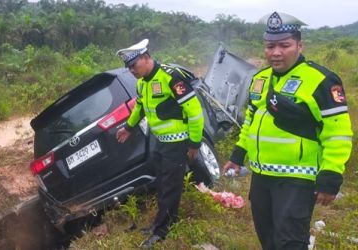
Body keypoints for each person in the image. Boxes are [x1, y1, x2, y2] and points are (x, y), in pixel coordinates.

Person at [222, 12, 353, 249]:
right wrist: (237, 155)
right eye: (270, 46)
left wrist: (331, 175)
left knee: (290, 241)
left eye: (284, 45)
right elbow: (252, 121)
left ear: (299, 45)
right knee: (268, 238)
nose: (276, 52)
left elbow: (338, 133)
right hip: (262, 176)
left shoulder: (321, 80)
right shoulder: (260, 79)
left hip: (297, 178)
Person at [115, 39, 204, 248]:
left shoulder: (170, 77)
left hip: (179, 142)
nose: (132, 71)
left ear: (146, 58)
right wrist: (128, 128)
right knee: (162, 183)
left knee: (170, 186)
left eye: (134, 65)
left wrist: (194, 143)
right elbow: (140, 108)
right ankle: (163, 223)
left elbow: (195, 111)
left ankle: (161, 230)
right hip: (160, 142)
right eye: (128, 68)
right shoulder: (142, 83)